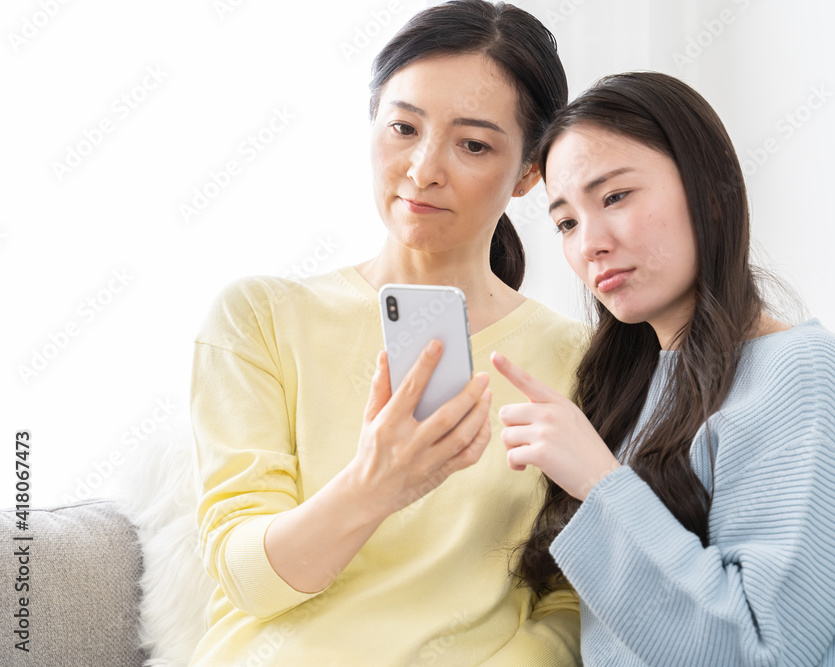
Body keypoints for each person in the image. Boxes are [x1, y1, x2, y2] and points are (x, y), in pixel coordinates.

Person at [187, 2, 587, 665]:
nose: (423, 168)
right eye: (404, 127)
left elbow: (571, 598)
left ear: (528, 173)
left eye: (473, 144)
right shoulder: (259, 316)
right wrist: (376, 485)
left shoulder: (578, 359)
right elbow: (247, 578)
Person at [489, 71, 835, 666]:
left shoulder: (804, 372)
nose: (590, 243)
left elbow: (763, 653)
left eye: (615, 197)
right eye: (567, 223)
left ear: (711, 192)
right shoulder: (628, 388)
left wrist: (599, 482)